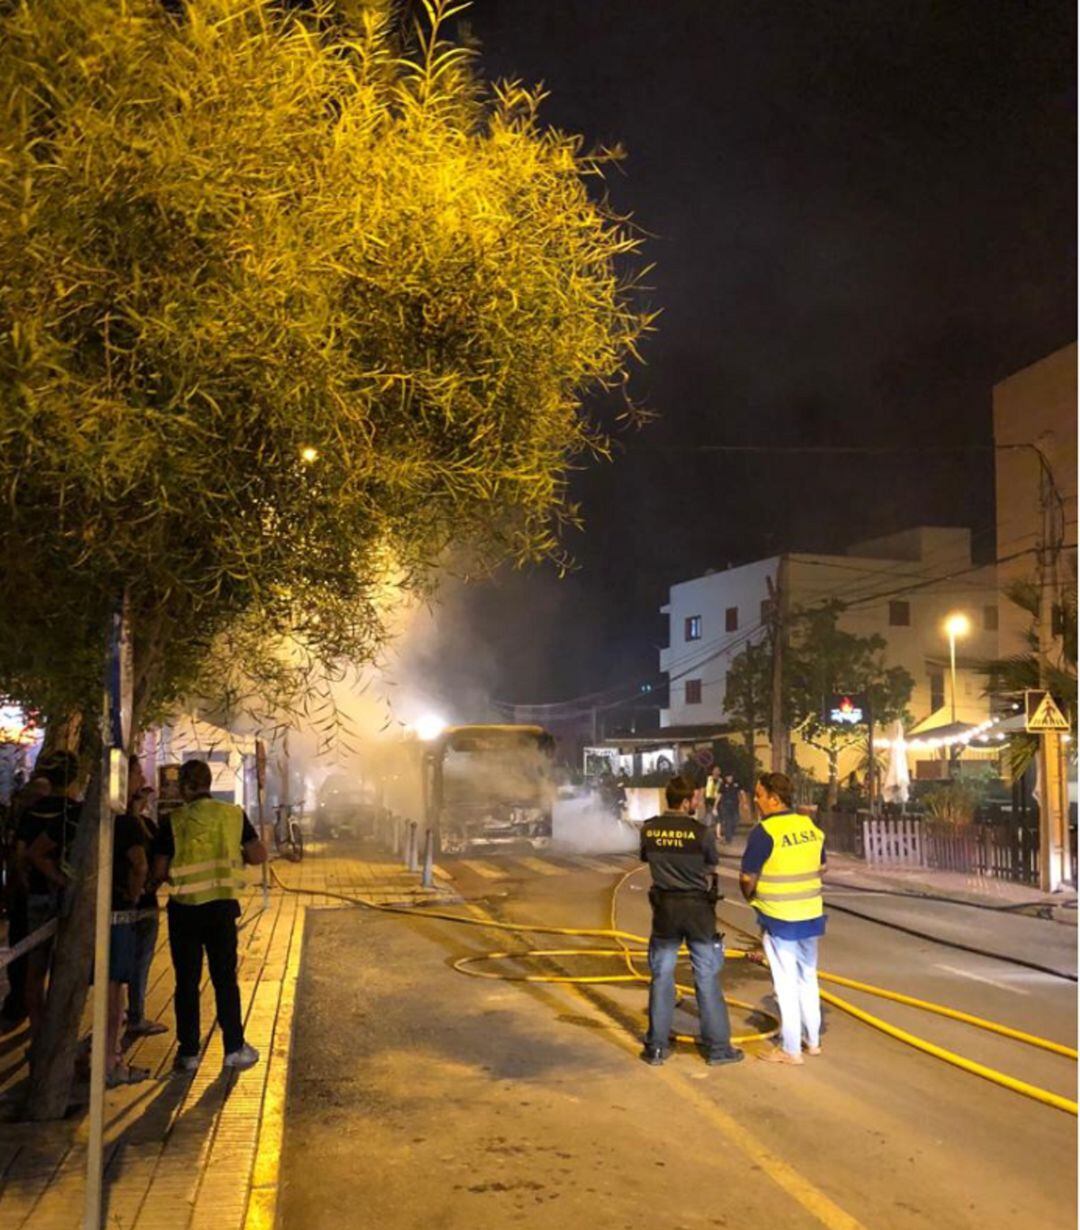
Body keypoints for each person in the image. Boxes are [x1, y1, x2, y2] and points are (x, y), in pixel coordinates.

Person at [152, 759, 266, 1074]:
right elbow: (258, 855)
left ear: (184, 787)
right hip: (221, 909)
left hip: (184, 910)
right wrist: (236, 854)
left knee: (186, 982)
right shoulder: (233, 815)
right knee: (225, 980)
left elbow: (160, 870)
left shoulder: (172, 820)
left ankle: (188, 1054)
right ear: (209, 783)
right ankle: (234, 1048)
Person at [638, 775, 743, 1068]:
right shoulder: (702, 832)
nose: (696, 802)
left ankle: (656, 1048)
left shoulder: (649, 829)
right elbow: (711, 865)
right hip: (698, 912)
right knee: (706, 976)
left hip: (665, 912)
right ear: (685, 802)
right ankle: (719, 1049)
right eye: (694, 798)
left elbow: (647, 858)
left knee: (661, 976)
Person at [739, 772, 826, 1065]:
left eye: (760, 794)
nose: (756, 799)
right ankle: (812, 1041)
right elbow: (821, 866)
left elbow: (746, 877)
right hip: (810, 915)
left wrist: (752, 897)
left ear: (774, 799)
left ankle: (791, 1049)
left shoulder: (765, 832)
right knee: (807, 977)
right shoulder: (810, 827)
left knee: (785, 983)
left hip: (779, 919)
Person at [20, 751, 82, 1038]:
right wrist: (63, 880)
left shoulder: (31, 812)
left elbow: (20, 856)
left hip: (35, 895)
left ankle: (38, 1032)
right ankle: (59, 1036)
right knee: (66, 969)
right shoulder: (76, 813)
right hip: (68, 898)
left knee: (35, 970)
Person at [107, 785, 150, 1086]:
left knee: (113, 987)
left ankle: (110, 1055)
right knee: (114, 989)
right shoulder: (124, 823)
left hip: (105, 912)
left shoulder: (108, 820)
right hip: (121, 911)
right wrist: (135, 895)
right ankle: (111, 1061)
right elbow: (140, 863)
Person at [0, 774, 50, 1032]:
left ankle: (29, 1013)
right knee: (26, 960)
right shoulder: (25, 821)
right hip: (28, 897)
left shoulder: (27, 820)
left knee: (30, 961)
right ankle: (24, 1011)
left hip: (32, 895)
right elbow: (17, 859)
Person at [124, 761, 166, 1040]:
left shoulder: (133, 822)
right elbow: (146, 864)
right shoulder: (132, 824)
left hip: (127, 904)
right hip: (139, 905)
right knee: (138, 962)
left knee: (120, 964)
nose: (143, 778)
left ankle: (124, 1014)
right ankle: (135, 1015)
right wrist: (141, 890)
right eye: (138, 774)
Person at [719, 774, 742, 844]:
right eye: (728, 777)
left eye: (731, 777)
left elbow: (741, 792)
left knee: (736, 820)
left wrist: (744, 802)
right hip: (726, 805)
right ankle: (728, 839)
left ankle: (729, 834)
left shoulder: (736, 784)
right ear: (726, 778)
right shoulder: (723, 785)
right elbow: (719, 795)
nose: (730, 778)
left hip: (735, 805)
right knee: (728, 822)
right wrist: (715, 805)